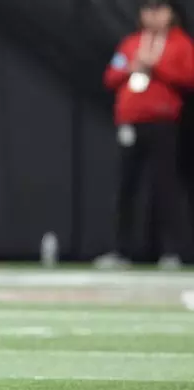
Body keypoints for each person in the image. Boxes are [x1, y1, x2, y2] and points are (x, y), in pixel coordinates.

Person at [97, 0, 194, 269]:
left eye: (159, 9)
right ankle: (121, 251)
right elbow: (111, 76)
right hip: (131, 122)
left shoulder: (181, 43)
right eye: (148, 9)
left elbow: (189, 77)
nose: (152, 15)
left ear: (171, 14)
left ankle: (172, 252)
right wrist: (132, 67)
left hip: (163, 123)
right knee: (125, 187)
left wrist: (157, 67)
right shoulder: (131, 43)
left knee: (166, 188)